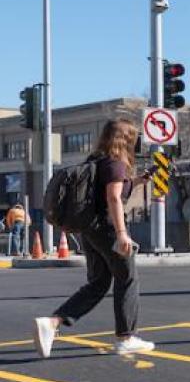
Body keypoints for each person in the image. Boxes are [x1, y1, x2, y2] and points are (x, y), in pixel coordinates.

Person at [33, 119, 155, 358]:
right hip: (108, 229)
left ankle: (52, 323)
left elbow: (111, 191)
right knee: (128, 278)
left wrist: (138, 181)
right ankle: (126, 337)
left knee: (98, 283)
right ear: (126, 140)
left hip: (90, 230)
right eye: (134, 139)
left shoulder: (97, 161)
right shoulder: (116, 164)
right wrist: (121, 234)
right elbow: (113, 198)